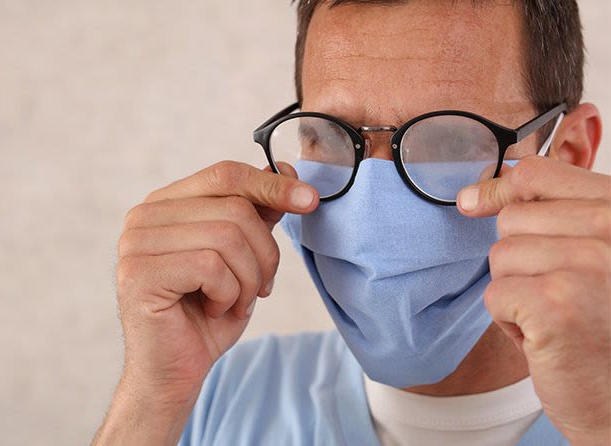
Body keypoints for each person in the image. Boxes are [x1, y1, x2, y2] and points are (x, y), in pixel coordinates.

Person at [92, 1, 610, 445]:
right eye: (332, 135)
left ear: (568, 153)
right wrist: (150, 401)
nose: (372, 205)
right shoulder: (217, 395)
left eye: (451, 139)